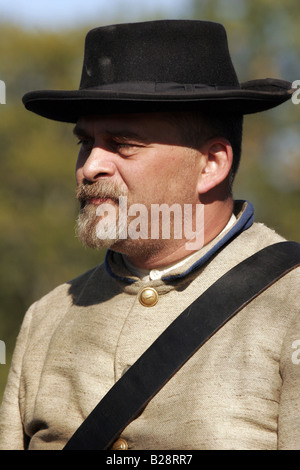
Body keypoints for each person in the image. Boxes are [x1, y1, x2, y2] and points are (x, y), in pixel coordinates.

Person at [0, 19, 299, 451]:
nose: (89, 167)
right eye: (85, 142)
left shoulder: (293, 305)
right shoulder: (45, 320)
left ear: (211, 163)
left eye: (123, 144)